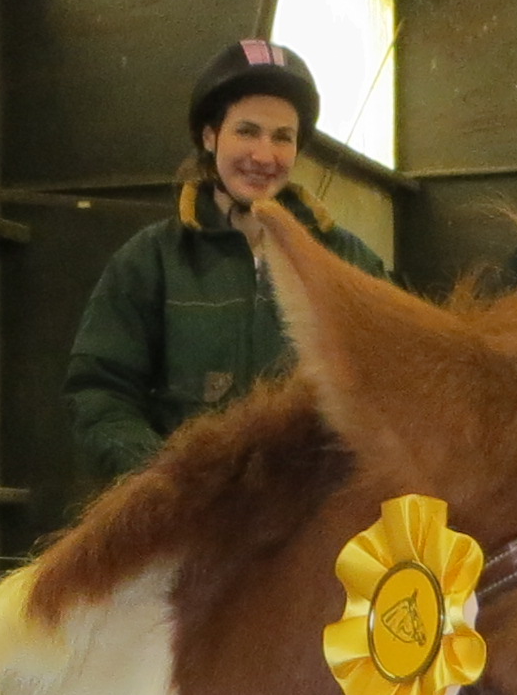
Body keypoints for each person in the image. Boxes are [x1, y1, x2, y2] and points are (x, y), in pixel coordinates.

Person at [62, 38, 388, 479]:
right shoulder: (149, 261)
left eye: (282, 138)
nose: (264, 156)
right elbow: (100, 392)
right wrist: (168, 480)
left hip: (315, 524)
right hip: (190, 523)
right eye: (247, 131)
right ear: (210, 136)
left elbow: (390, 388)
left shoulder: (350, 262)